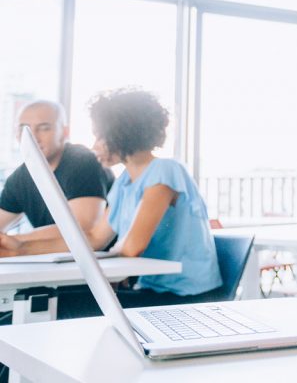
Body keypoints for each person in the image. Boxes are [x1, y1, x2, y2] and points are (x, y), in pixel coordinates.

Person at [0, 90, 221, 314]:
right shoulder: (124, 183)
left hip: (186, 297)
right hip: (150, 290)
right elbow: (95, 237)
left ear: (120, 134)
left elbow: (133, 246)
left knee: (59, 307)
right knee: (54, 303)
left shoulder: (165, 171)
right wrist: (20, 248)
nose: (94, 146)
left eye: (99, 136)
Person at [0, 100, 110, 239]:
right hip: (55, 259)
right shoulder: (19, 178)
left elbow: (83, 227)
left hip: (108, 259)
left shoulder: (83, 161)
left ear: (64, 132)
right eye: (24, 129)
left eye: (44, 128)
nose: (33, 137)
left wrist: (14, 241)